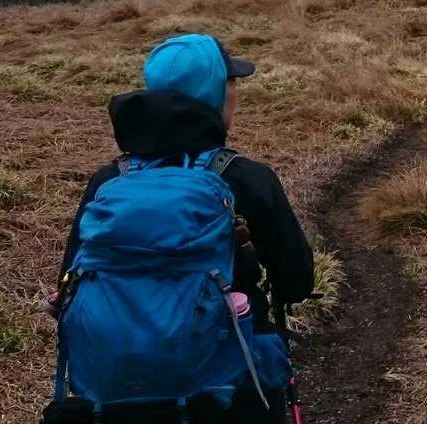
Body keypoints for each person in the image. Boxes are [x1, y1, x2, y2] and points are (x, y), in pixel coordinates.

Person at [46, 34, 313, 423]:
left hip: (117, 394)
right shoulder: (249, 179)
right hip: (231, 395)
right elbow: (297, 282)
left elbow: (70, 281)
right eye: (231, 82)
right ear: (214, 94)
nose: (236, 93)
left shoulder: (108, 183)